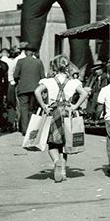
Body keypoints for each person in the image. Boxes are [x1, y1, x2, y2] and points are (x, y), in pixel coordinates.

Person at [34, 54, 89, 182]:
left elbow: (37, 91)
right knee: (65, 143)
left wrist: (44, 106)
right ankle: (63, 171)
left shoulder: (47, 81)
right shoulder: (74, 82)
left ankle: (56, 161)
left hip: (54, 111)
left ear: (53, 67)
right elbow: (85, 93)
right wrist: (75, 107)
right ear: (68, 67)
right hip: (67, 112)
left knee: (52, 142)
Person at [14, 45, 46, 135]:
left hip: (23, 88)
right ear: (33, 53)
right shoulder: (39, 62)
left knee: (24, 109)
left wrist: (21, 79)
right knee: (32, 109)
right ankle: (32, 129)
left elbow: (15, 75)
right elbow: (43, 77)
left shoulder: (20, 62)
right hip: (35, 89)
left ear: (25, 52)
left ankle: (25, 130)